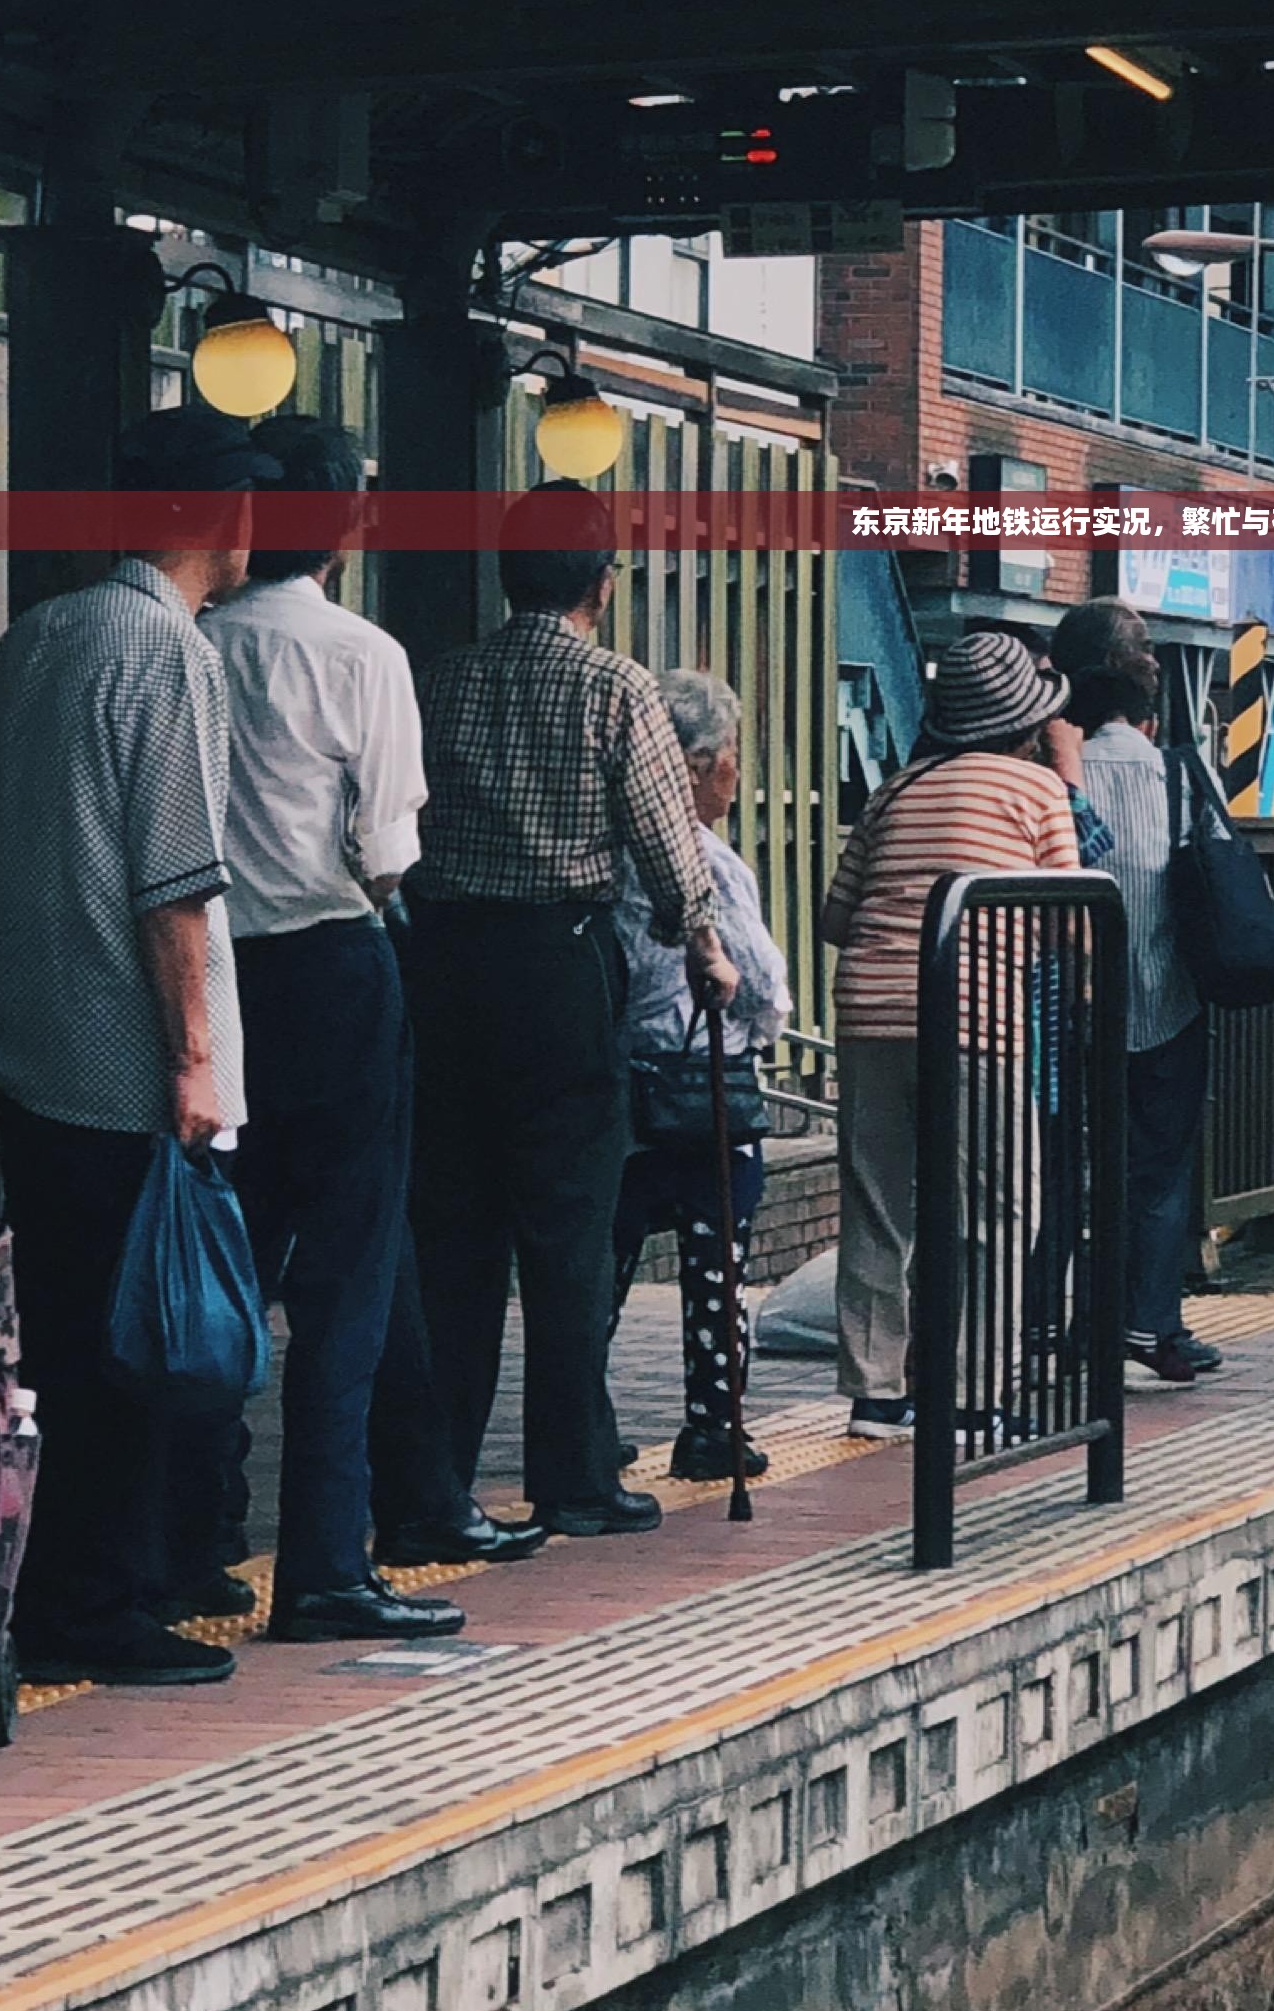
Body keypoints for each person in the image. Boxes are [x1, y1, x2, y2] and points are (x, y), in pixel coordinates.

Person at [0, 404, 261, 1685]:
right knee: (135, 1343)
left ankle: (30, 1588)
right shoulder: (166, 655)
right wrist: (191, 1058)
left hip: (22, 1055)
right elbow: (178, 880)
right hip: (123, 1066)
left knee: (49, 1343)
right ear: (206, 518)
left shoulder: (32, 644)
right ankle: (101, 1605)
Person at [389, 481, 724, 1541]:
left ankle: (439, 1477)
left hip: (443, 969)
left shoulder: (439, 682)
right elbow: (670, 853)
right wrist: (701, 943)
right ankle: (570, 1473)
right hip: (560, 967)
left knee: (455, 1234)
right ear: (603, 583)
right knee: (568, 1232)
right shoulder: (615, 689)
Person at [194, 418, 485, 1636]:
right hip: (335, 971)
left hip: (214, 973)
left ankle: (197, 1533)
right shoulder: (364, 655)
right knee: (350, 1279)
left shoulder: (196, 644)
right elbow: (383, 854)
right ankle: (323, 1562)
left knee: (226, 1267)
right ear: (353, 519)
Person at [817, 630, 1083, 1437]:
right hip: (975, 1016)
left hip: (869, 1009)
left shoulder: (896, 789)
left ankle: (876, 1392)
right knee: (1000, 1211)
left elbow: (837, 916)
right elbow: (1076, 923)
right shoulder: (1038, 793)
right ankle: (974, 1397)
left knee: (878, 1204)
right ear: (1028, 722)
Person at [607, 669, 796, 1483]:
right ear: (692, 763)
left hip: (619, 1086)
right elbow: (761, 983)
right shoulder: (708, 863)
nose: (735, 773)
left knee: (603, 1266)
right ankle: (714, 1425)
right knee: (716, 1262)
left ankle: (581, 1420)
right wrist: (758, 1031)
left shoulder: (602, 850)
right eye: (729, 756)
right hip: (700, 1086)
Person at [1048, 601, 1218, 1385]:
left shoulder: (1046, 768)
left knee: (1059, 1165)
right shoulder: (1180, 770)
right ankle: (1150, 1325)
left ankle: (1054, 1324)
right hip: (1168, 997)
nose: (1156, 661)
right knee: (1159, 1165)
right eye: (1146, 650)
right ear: (1131, 674)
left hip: (1066, 1009)